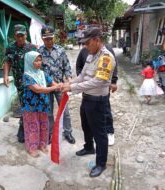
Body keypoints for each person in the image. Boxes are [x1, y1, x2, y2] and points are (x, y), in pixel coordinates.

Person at [62, 27, 116, 177]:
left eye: (87, 43)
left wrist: (72, 88)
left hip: (98, 102)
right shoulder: (91, 55)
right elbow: (82, 76)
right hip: (86, 99)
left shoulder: (106, 58)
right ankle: (88, 147)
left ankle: (101, 163)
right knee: (86, 125)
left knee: (100, 133)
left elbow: (98, 81)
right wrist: (68, 84)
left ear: (97, 40)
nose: (85, 46)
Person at [38, 26, 75, 144]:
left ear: (54, 37)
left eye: (51, 38)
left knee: (65, 110)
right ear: (42, 39)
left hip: (59, 86)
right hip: (47, 87)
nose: (49, 41)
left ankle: (68, 132)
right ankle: (50, 134)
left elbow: (67, 67)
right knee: (48, 111)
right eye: (46, 39)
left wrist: (69, 81)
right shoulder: (39, 52)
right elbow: (38, 70)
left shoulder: (60, 50)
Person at [22, 51, 62, 157]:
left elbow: (52, 82)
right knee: (32, 126)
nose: (39, 63)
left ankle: (42, 144)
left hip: (43, 105)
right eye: (36, 61)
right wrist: (55, 88)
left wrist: (60, 86)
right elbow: (38, 89)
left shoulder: (42, 74)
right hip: (31, 107)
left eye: (40, 60)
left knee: (44, 125)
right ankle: (32, 148)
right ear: (30, 62)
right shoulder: (27, 76)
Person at [76, 45, 118, 146]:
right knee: (86, 118)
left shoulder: (107, 54)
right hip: (87, 91)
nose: (86, 45)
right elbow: (80, 68)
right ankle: (89, 144)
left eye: (88, 41)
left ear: (96, 39)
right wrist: (78, 82)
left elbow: (112, 69)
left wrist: (113, 81)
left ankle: (109, 132)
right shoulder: (86, 52)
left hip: (100, 92)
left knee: (104, 113)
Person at [3, 24, 37, 143]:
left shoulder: (32, 47)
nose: (20, 38)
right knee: (25, 106)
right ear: (15, 36)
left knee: (32, 106)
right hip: (20, 83)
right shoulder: (10, 48)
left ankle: (31, 130)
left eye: (22, 35)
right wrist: (6, 75)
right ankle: (23, 130)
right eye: (18, 36)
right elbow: (7, 62)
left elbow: (38, 63)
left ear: (26, 35)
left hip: (32, 83)